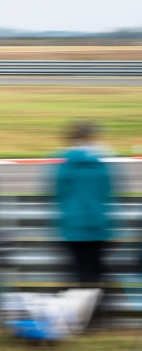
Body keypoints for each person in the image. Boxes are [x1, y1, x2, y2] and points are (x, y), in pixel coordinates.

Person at [52, 120, 116, 285]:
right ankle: (95, 307)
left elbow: (59, 192)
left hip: (73, 226)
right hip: (98, 225)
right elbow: (108, 192)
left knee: (79, 274)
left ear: (74, 138)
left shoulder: (64, 162)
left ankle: (83, 306)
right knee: (96, 274)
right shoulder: (102, 162)